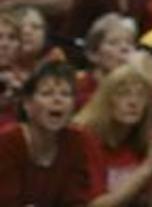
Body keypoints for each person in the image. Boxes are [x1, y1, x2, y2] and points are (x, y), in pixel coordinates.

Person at [76, 56, 152, 207]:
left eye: (140, 95)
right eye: (123, 94)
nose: (133, 102)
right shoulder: (85, 138)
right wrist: (147, 168)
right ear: (106, 100)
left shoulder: (147, 140)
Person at [0, 56, 97, 205]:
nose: (57, 100)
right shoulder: (8, 143)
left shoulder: (77, 141)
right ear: (27, 104)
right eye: (47, 93)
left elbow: (76, 201)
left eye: (65, 94)